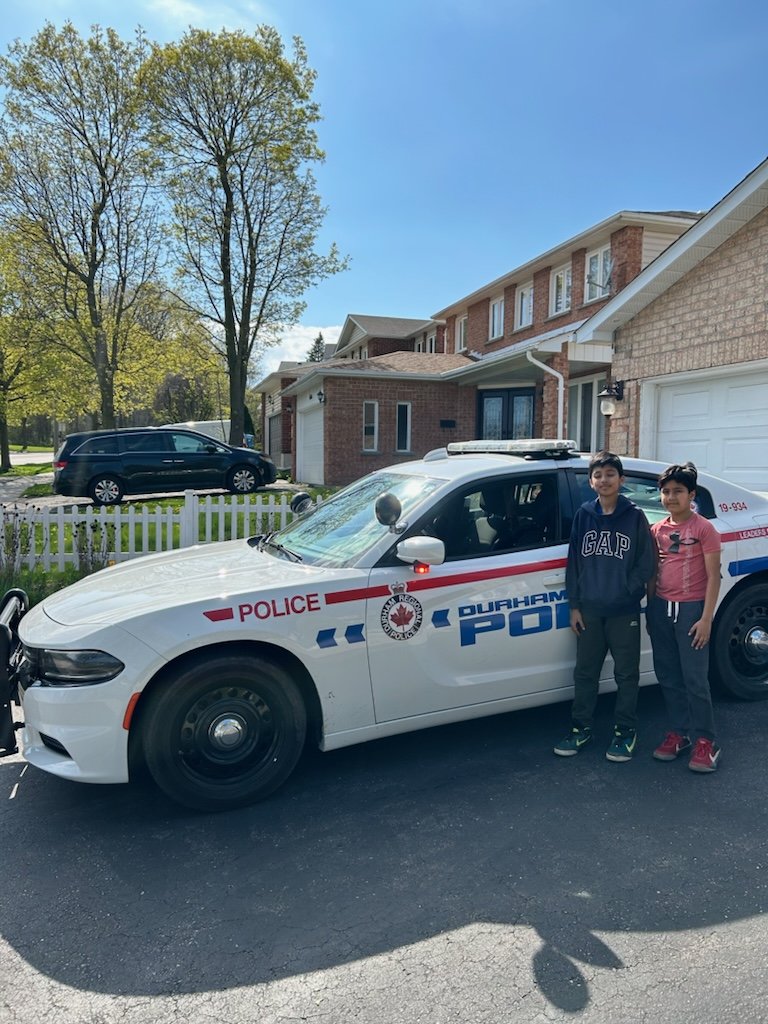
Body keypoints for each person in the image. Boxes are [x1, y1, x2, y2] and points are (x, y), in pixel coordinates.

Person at [554, 451, 655, 762]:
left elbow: (646, 561)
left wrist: (629, 589)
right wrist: (574, 606)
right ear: (591, 481)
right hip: (590, 611)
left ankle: (626, 731)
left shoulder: (635, 515)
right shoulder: (584, 515)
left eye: (610, 474)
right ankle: (580, 728)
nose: (604, 480)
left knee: (627, 675)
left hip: (623, 610)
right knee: (585, 673)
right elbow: (575, 563)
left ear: (621, 480)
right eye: (598, 475)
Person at [646, 462, 722, 772]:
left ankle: (706, 740)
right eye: (665, 492)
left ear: (691, 494)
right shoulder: (657, 529)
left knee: (694, 679)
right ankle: (680, 733)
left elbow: (714, 575)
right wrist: (651, 608)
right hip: (661, 609)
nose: (671, 497)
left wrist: (706, 618)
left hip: (692, 611)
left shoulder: (704, 528)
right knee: (668, 675)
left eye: (678, 491)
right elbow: (653, 571)